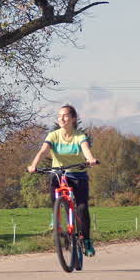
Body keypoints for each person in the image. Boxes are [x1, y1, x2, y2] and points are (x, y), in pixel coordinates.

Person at [26, 105, 100, 256]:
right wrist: (33, 165)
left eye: (65, 115)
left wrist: (90, 159)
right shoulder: (53, 135)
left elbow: (85, 149)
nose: (61, 118)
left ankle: (86, 240)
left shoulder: (79, 136)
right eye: (59, 116)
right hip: (59, 173)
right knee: (55, 191)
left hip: (77, 174)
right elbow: (43, 151)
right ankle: (55, 217)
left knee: (82, 208)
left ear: (73, 118)